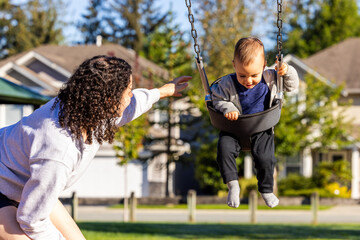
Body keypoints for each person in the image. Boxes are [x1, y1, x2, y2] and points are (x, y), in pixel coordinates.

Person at [0, 55, 191, 240]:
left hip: (22, 184)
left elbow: (131, 107)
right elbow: (32, 221)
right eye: (129, 90)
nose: (131, 95)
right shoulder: (58, 148)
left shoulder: (86, 110)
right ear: (109, 100)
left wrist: (162, 92)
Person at [211, 37, 299, 208]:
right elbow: (215, 98)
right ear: (234, 65)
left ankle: (266, 190)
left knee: (266, 158)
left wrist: (286, 71)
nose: (248, 80)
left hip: (262, 126)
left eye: (254, 75)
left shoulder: (272, 77)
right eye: (242, 75)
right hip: (233, 128)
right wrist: (228, 107)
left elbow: (292, 86)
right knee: (223, 151)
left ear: (264, 65)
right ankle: (233, 185)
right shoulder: (227, 83)